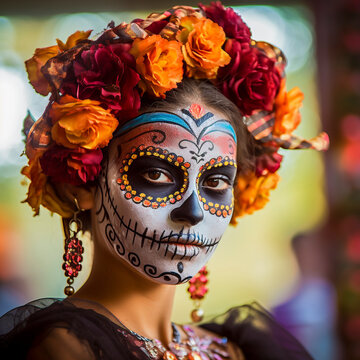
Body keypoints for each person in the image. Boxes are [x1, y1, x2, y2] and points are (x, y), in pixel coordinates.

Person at [0, 3, 329, 359]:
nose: (194, 212)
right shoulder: (65, 350)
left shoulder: (236, 349)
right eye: (156, 174)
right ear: (80, 185)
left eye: (217, 182)